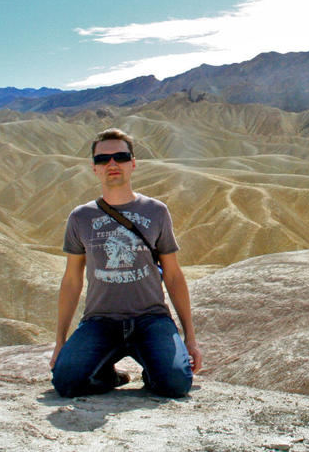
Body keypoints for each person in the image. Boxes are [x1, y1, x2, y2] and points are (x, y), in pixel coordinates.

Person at [50, 128, 202, 398]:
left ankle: (155, 371)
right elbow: (72, 280)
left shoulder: (156, 211)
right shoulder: (80, 217)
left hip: (151, 320)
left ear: (132, 163)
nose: (112, 164)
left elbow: (173, 275)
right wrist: (59, 343)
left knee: (177, 383)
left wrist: (190, 339)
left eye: (120, 156)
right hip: (100, 321)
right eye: (103, 159)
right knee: (65, 381)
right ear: (94, 168)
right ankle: (108, 376)